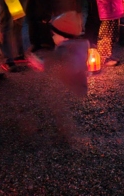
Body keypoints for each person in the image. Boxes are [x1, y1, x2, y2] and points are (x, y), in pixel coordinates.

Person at [26, 11, 89, 148]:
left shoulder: (69, 50)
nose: (52, 38)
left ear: (64, 36)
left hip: (71, 91)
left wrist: (43, 65)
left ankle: (67, 139)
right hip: (69, 89)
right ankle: (64, 134)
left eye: (54, 35)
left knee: (63, 114)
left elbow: (67, 67)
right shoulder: (72, 46)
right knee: (60, 112)